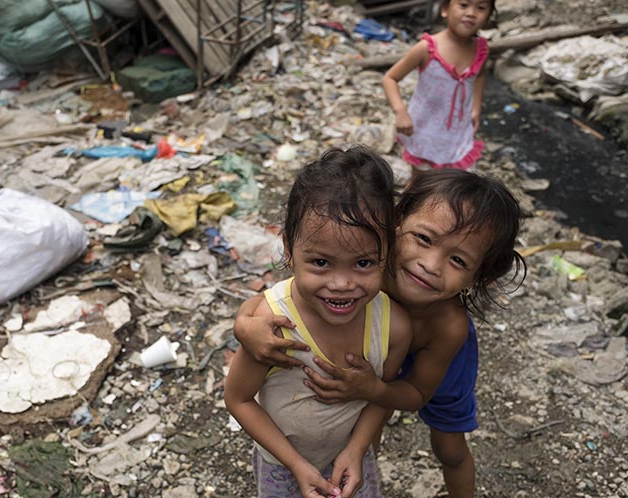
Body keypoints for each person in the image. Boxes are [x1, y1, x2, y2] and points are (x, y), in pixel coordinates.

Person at [235, 169, 525, 498]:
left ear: (477, 278)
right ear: (394, 225)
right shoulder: (364, 265)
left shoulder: (450, 328)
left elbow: (416, 395)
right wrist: (244, 325)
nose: (430, 264)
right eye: (424, 239)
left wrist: (372, 388)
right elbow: (279, 297)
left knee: (450, 447)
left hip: (435, 363)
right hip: (373, 356)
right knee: (365, 423)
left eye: (458, 260)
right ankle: (355, 465)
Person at [224, 146, 412, 498]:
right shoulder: (271, 326)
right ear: (289, 249)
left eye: (363, 263)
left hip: (352, 458)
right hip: (283, 466)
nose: (342, 284)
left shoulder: (393, 326)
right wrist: (295, 464)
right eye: (322, 263)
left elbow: (382, 395)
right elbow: (239, 399)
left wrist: (356, 450)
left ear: (387, 253)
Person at [382, 0, 496, 174]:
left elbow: (479, 75)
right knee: (420, 183)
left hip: (457, 133)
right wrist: (400, 112)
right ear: (444, 9)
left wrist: (476, 109)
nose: (471, 13)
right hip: (423, 129)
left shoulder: (481, 50)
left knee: (454, 184)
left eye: (481, 8)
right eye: (464, 5)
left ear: (488, 17)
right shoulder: (427, 48)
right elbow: (390, 78)